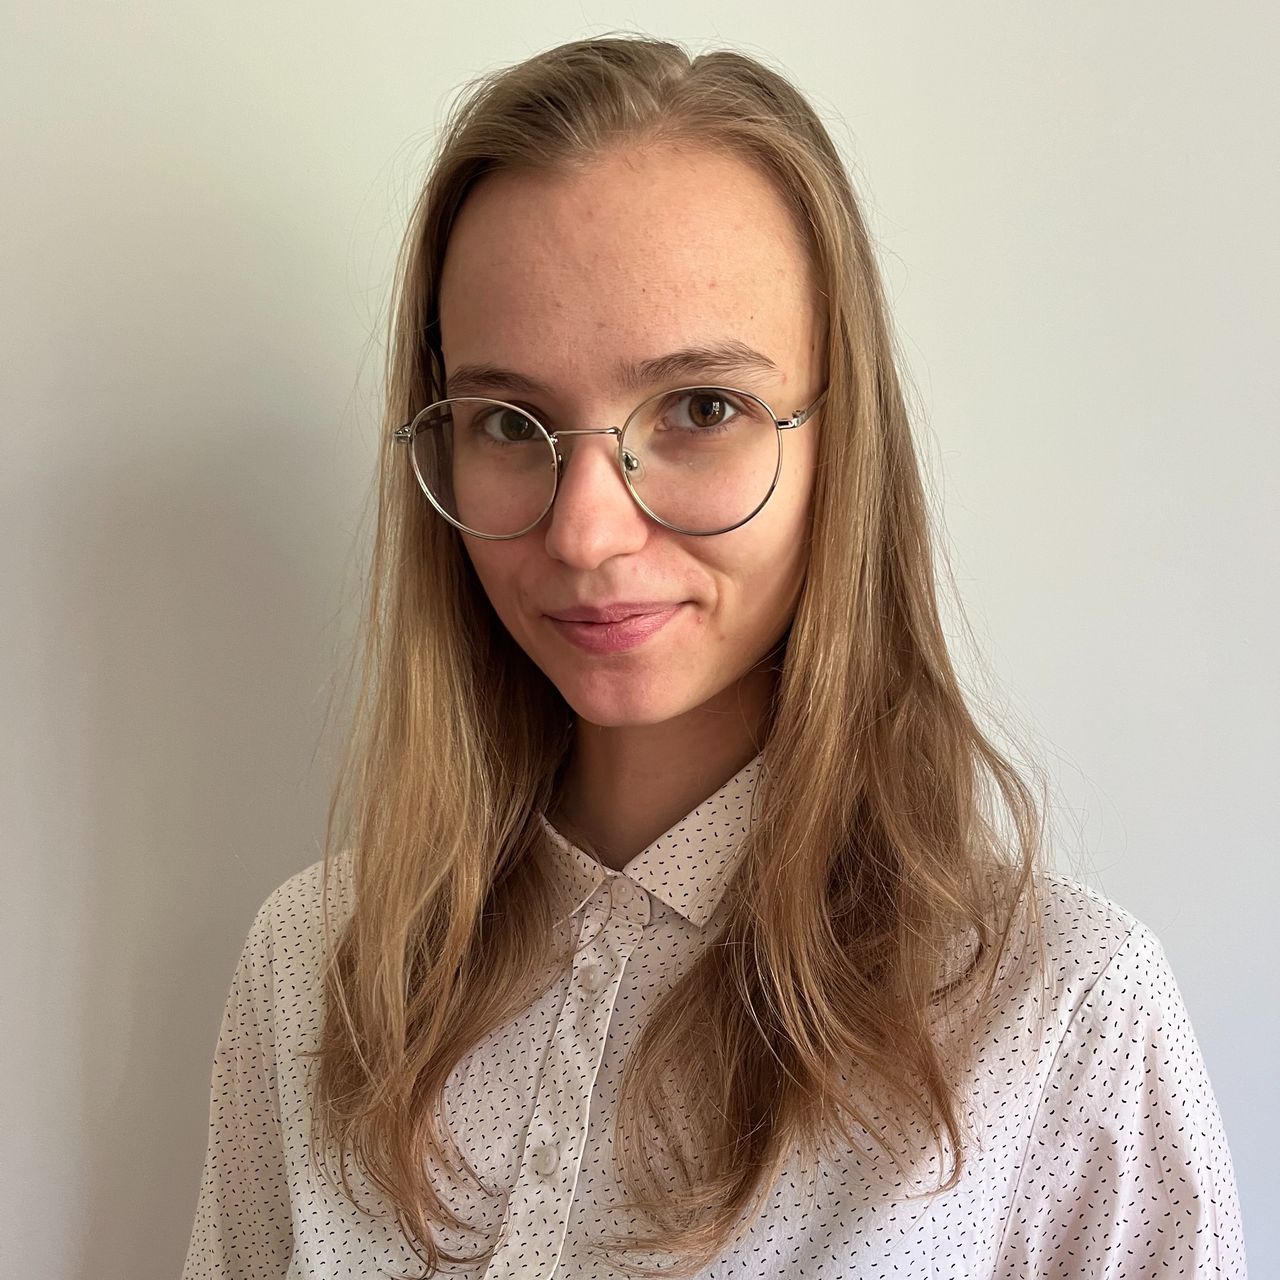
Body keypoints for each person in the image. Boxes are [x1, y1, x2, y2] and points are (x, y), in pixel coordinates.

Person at [181, 34, 1246, 1280]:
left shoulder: (1060, 1018)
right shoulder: (316, 965)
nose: (584, 532)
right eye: (507, 422)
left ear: (839, 445)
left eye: (700, 408)